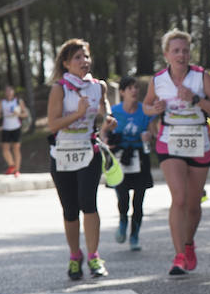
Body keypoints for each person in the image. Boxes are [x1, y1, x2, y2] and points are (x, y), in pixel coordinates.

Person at [143, 29, 210, 275]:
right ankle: (179, 255)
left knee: (192, 203)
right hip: (170, 140)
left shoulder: (201, 77)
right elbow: (146, 107)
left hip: (198, 141)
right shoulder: (158, 80)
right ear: (167, 54)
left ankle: (188, 243)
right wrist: (153, 108)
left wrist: (196, 100)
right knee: (178, 198)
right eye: (176, 50)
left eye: (185, 50)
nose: (181, 55)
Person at [47, 39, 117, 280]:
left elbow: (104, 107)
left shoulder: (98, 86)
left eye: (86, 56)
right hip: (63, 153)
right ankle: (75, 255)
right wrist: (76, 114)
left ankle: (94, 256)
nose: (84, 61)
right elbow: (53, 124)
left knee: (89, 203)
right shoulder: (59, 88)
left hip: (89, 151)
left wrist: (108, 118)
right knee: (70, 209)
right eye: (77, 57)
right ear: (66, 63)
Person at [103, 76, 154, 252]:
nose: (134, 91)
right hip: (120, 158)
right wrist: (107, 142)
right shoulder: (114, 111)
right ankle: (123, 219)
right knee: (123, 197)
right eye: (130, 88)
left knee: (138, 201)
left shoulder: (144, 111)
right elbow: (104, 133)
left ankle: (135, 236)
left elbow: (153, 132)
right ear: (122, 92)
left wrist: (148, 136)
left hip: (140, 157)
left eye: (136, 87)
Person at [0, 85, 27, 176]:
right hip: (6, 128)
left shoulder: (18, 101)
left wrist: (18, 114)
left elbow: (25, 114)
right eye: (7, 91)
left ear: (13, 92)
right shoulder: (2, 102)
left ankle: (17, 170)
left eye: (10, 91)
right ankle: (11, 165)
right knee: (5, 150)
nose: (8, 93)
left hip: (16, 127)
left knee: (16, 149)